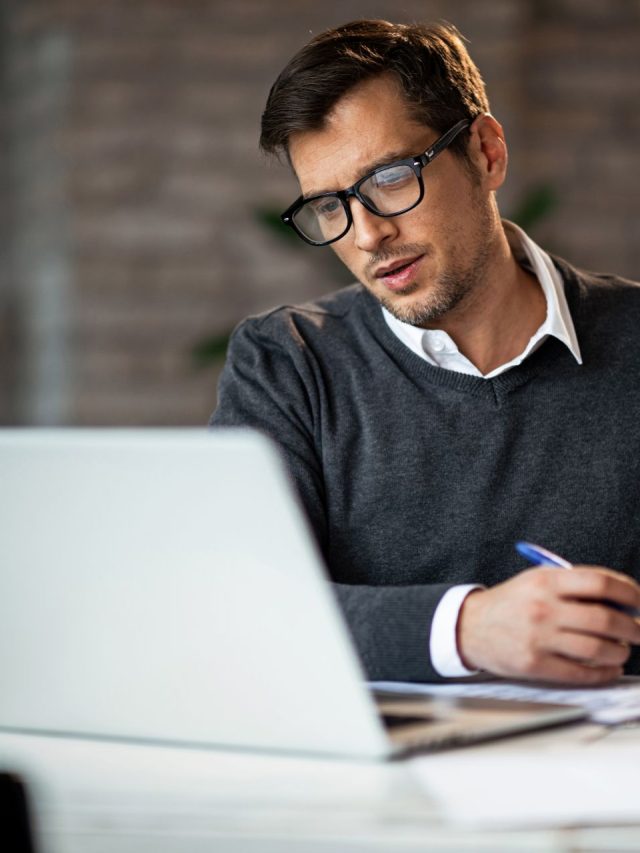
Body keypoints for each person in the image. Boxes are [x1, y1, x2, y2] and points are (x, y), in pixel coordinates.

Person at [211, 19, 640, 685]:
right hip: (384, 786)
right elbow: (241, 609)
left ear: (487, 152)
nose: (369, 235)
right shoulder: (287, 362)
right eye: (330, 206)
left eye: (389, 177)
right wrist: (467, 630)